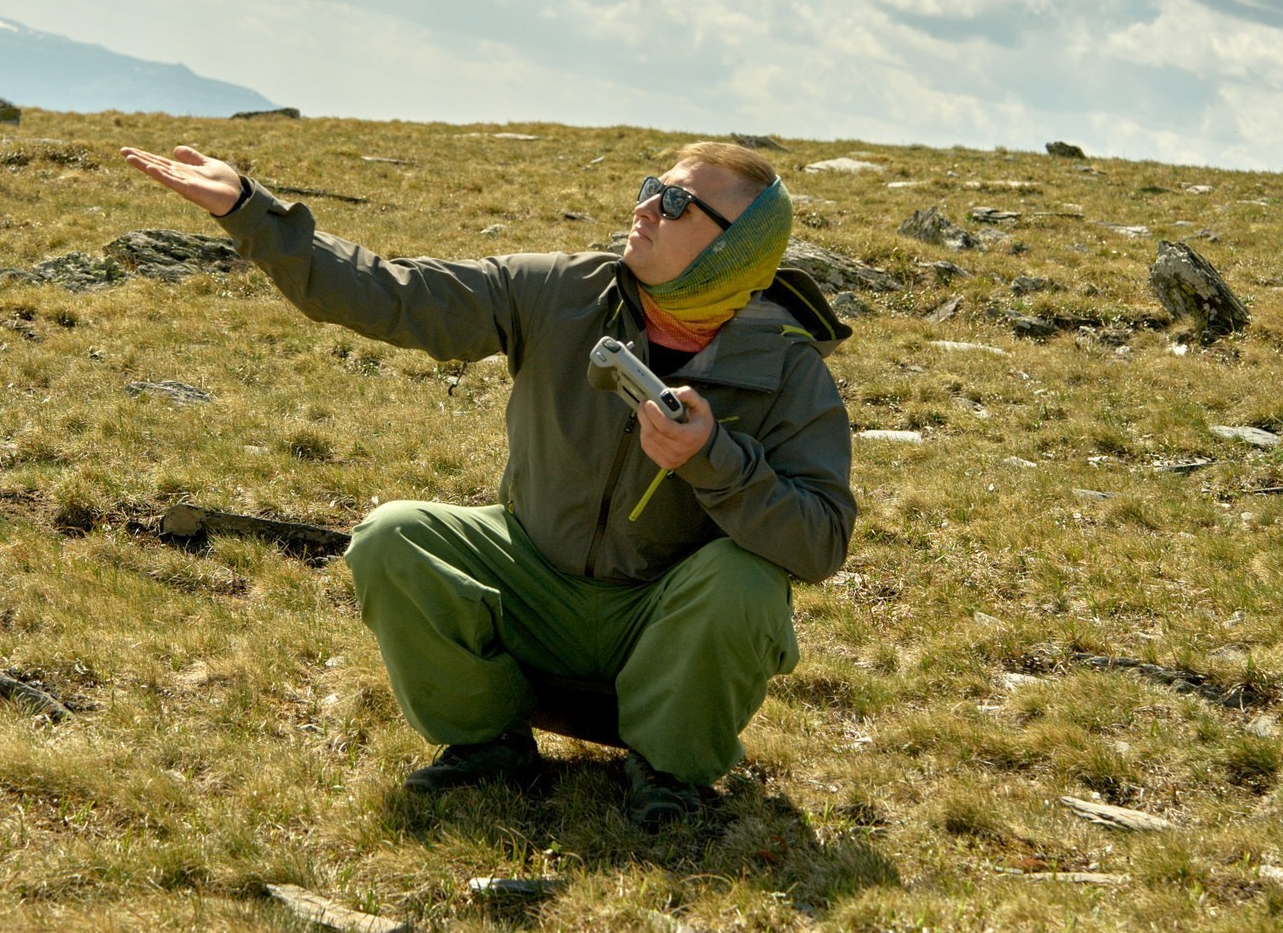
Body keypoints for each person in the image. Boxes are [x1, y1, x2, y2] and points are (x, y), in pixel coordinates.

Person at [119, 138, 855, 829]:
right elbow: (395, 293)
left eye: (673, 203)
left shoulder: (791, 372)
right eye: (649, 188)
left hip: (662, 635)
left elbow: (820, 540)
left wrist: (713, 459)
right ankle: (489, 746)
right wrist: (251, 211)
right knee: (393, 536)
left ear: (734, 246)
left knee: (747, 578)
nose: (642, 208)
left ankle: (671, 772)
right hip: (536, 596)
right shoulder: (561, 289)